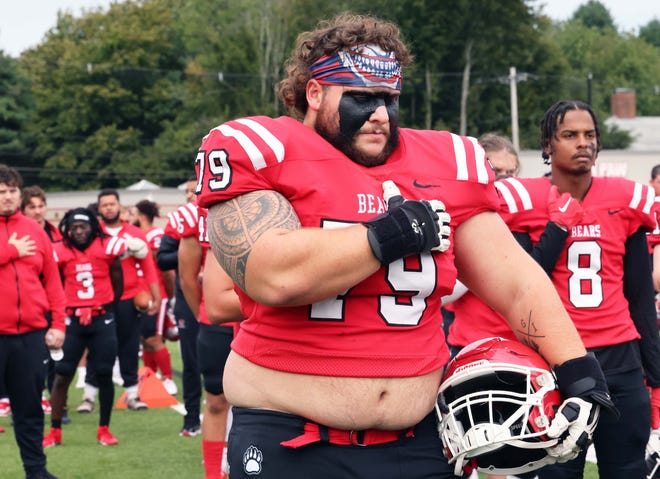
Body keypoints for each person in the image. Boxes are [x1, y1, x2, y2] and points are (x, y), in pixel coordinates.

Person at [194, 14, 614, 479]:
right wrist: (386, 235)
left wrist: (578, 368)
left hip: (418, 441)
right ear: (314, 94)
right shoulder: (262, 148)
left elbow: (514, 281)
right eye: (360, 98)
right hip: (289, 436)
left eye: (388, 99)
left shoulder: (447, 162)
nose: (378, 114)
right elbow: (273, 276)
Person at [495, 100, 660, 479]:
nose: (583, 143)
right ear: (548, 145)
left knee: (628, 469)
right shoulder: (525, 199)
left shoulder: (624, 199)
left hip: (622, 359)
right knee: (557, 473)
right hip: (556, 360)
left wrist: (655, 376)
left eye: (590, 135)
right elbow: (520, 288)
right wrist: (557, 228)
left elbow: (639, 297)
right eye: (569, 135)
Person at [43, 207, 148, 448]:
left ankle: (104, 429)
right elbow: (56, 284)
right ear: (67, 230)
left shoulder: (107, 246)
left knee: (103, 374)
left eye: (83, 227)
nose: (79, 232)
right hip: (72, 318)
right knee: (62, 374)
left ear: (93, 227)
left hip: (102, 318)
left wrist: (105, 308)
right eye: (74, 228)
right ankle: (55, 431)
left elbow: (117, 280)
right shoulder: (59, 251)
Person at [0, 164, 66, 479]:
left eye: (12, 190)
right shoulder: (17, 239)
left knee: (28, 410)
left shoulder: (34, 229)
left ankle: (36, 471)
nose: (7, 197)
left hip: (29, 335)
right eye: (1, 192)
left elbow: (53, 282)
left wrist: (59, 324)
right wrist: (9, 250)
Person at [79, 189, 158, 412]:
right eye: (104, 205)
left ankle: (132, 394)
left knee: (129, 346)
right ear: (99, 209)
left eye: (112, 204)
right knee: (97, 347)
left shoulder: (134, 232)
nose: (109, 208)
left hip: (128, 298)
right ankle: (89, 396)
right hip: (100, 299)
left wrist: (156, 296)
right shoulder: (92, 234)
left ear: (119, 206)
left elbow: (148, 266)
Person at [179, 205, 241, 478]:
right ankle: (213, 473)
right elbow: (187, 276)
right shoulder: (196, 216)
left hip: (261, 318)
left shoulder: (269, 200)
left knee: (263, 401)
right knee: (216, 401)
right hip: (218, 321)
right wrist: (204, 314)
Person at [20, 185, 69, 422]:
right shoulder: (15, 234)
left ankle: (58, 403)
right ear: (23, 209)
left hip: (53, 304)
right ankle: (27, 401)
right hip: (25, 306)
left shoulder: (57, 235)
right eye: (32, 207)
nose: (38, 211)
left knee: (56, 356)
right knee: (27, 359)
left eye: (41, 206)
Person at [131, 199, 177, 395]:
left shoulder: (156, 235)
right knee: (144, 340)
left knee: (154, 339)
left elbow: (166, 270)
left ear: (141, 215)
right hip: (139, 294)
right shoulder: (136, 235)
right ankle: (149, 377)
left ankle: (168, 379)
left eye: (133, 213)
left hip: (156, 294)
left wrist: (170, 296)